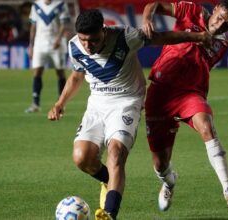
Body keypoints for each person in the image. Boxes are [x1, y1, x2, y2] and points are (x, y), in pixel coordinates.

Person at [48, 9, 212, 220]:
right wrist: (60, 103)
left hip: (126, 102)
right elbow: (76, 76)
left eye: (94, 40)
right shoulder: (74, 46)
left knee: (115, 154)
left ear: (104, 31)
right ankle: (110, 180)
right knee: (82, 158)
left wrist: (198, 37)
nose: (88, 46)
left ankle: (109, 213)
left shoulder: (126, 37)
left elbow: (163, 37)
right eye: (83, 40)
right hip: (97, 105)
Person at [141, 0, 228, 211]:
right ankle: (168, 182)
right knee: (161, 164)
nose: (219, 25)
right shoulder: (191, 11)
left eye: (227, 24)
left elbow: (202, 66)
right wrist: (147, 19)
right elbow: (155, 4)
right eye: (219, 18)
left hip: (190, 94)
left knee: (207, 127)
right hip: (161, 92)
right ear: (215, 8)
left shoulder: (222, 44)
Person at [25, 0, 70, 113]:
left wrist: (59, 39)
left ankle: (61, 104)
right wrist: (31, 45)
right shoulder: (36, 6)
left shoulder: (61, 4)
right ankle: (35, 104)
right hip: (40, 43)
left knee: (60, 72)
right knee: (37, 71)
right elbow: (33, 26)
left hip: (56, 43)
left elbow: (64, 24)